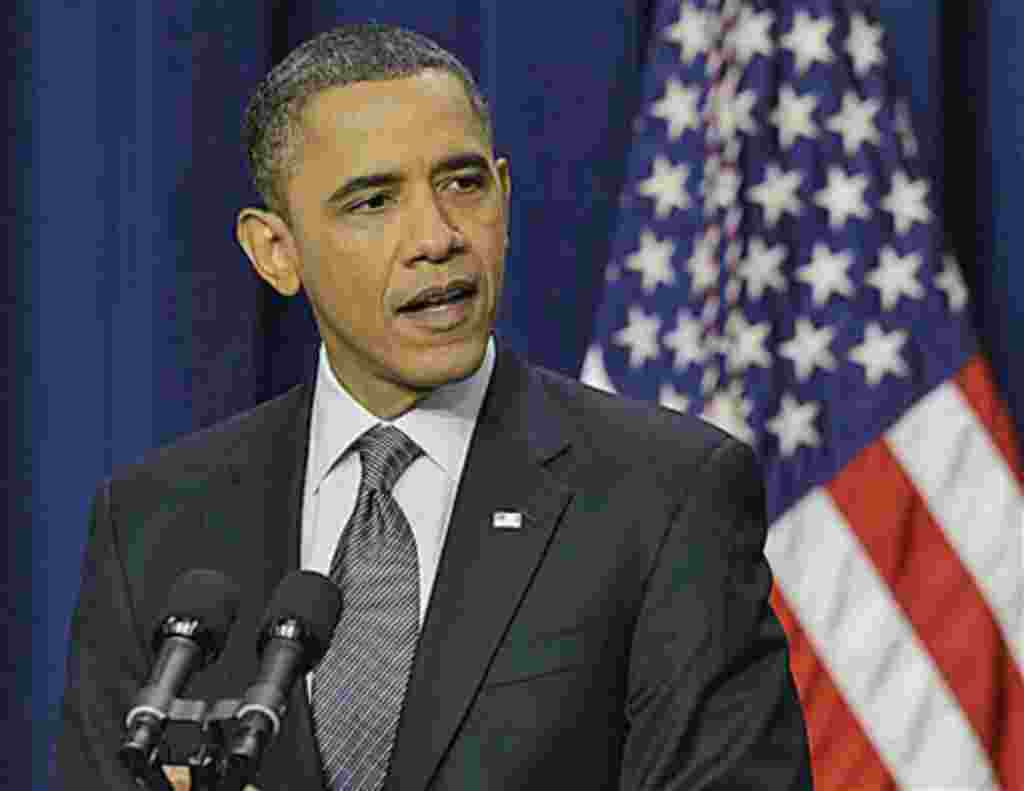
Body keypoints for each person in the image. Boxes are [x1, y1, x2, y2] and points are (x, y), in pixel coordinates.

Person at [57, 23, 813, 791]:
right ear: (275, 251)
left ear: (505, 195)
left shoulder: (664, 498)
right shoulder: (155, 524)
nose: (438, 236)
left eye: (463, 183)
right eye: (374, 201)